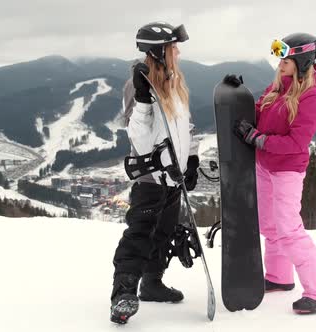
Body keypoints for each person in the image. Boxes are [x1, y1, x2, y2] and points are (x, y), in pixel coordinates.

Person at [228, 33, 316, 314]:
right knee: (269, 225)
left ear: (302, 62)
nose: (280, 63)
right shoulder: (280, 85)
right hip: (265, 165)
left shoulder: (311, 96)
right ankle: (279, 277)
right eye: (280, 57)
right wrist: (237, 96)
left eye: (286, 59)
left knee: (289, 229)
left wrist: (258, 140)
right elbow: (258, 112)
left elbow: (296, 143)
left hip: (287, 169)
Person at [109, 21, 200, 324]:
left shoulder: (177, 82)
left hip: (174, 177)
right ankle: (123, 293)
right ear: (159, 51)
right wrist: (143, 100)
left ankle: (152, 283)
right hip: (150, 178)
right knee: (140, 233)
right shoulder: (136, 87)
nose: (178, 51)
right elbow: (141, 141)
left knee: (164, 231)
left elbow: (186, 128)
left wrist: (191, 161)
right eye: (174, 47)